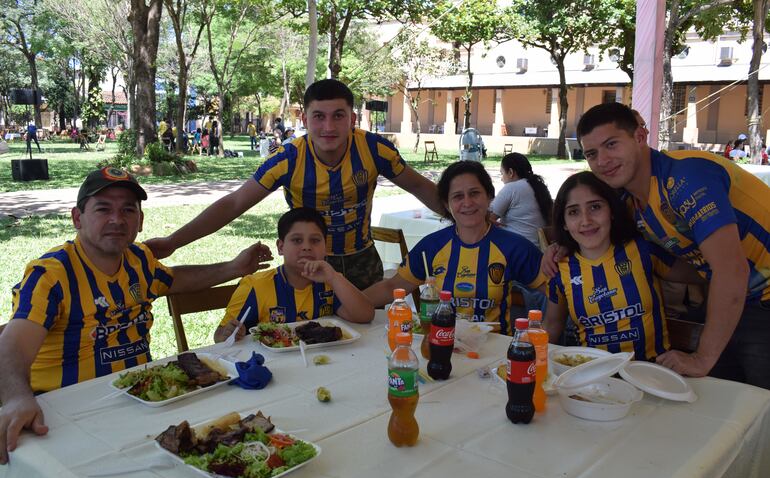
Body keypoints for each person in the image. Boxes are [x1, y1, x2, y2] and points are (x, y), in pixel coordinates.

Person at [0, 167, 273, 463]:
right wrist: (16, 398)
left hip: (142, 405)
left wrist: (234, 268)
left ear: (140, 221)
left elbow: (175, 280)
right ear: (77, 218)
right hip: (67, 413)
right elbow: (12, 346)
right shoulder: (52, 275)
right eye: (103, 209)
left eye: (128, 210)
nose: (117, 220)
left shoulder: (139, 260)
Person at [146, 78, 442, 290]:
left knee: (367, 340)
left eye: (338, 116)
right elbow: (234, 203)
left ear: (352, 118)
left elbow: (420, 187)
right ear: (304, 118)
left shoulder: (375, 150)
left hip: (362, 261)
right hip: (305, 264)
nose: (328, 127)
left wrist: (477, 220)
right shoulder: (287, 159)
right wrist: (174, 242)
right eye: (319, 117)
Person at [556, 101, 770, 388]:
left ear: (640, 137)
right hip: (740, 298)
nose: (603, 160)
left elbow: (731, 272)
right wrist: (558, 247)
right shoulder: (629, 200)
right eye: (592, 153)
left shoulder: (685, 178)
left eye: (612, 145)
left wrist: (701, 358)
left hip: (760, 297)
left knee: (754, 406)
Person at [363, 161, 546, 335]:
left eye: (474, 193)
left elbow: (556, 291)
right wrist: (344, 304)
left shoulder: (513, 246)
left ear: (490, 196)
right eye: (458, 196)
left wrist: (541, 337)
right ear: (446, 204)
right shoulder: (432, 246)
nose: (467, 203)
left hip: (495, 354)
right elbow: (392, 287)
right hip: (440, 345)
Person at [543, 172, 703, 361]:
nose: (586, 220)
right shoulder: (559, 269)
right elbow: (552, 326)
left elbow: (705, 274)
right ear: (564, 223)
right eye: (573, 212)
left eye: (595, 207)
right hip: (593, 378)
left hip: (653, 373)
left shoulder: (643, 250)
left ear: (611, 211)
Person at [215, 207, 375, 342]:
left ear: (325, 247)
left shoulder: (330, 281)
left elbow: (365, 315)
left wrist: (334, 277)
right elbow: (220, 336)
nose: (306, 247)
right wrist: (228, 333)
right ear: (281, 247)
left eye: (315, 240)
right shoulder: (255, 286)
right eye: (297, 240)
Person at [490, 152, 552, 247]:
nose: (501, 179)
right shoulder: (538, 186)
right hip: (538, 249)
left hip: (517, 250)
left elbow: (487, 218)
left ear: (510, 172)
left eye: (502, 173)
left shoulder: (512, 188)